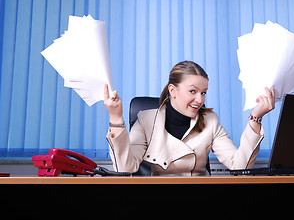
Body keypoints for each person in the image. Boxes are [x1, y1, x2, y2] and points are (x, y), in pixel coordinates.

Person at [104, 61, 275, 176]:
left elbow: (240, 166)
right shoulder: (146, 120)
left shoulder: (210, 121)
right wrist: (116, 117)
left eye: (203, 93)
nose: (200, 100)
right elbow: (125, 168)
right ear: (173, 90)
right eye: (192, 91)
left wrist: (256, 117)